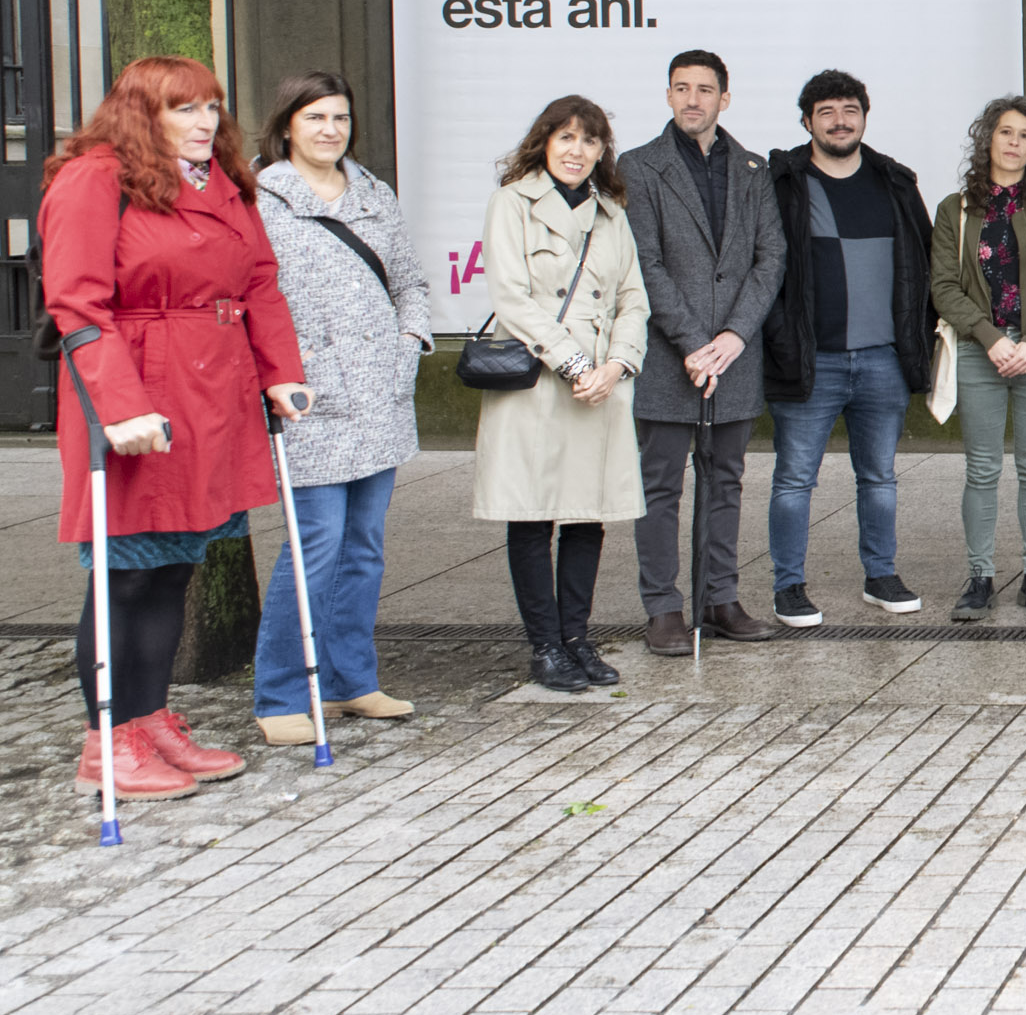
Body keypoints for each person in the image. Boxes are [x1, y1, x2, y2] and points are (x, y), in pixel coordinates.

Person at [42, 57, 312, 801]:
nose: (204, 122)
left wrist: (278, 369)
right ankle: (109, 739)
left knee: (174, 567)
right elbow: (77, 303)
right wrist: (121, 405)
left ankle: (149, 715)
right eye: (184, 108)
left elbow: (259, 280)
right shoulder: (95, 177)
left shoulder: (222, 181)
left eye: (212, 107)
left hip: (211, 392)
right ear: (142, 113)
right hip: (140, 385)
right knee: (125, 573)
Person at [251, 71, 432, 744]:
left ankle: (351, 679)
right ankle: (279, 694)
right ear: (288, 124)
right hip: (311, 400)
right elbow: (252, 296)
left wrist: (409, 344)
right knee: (314, 546)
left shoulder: (373, 192)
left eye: (340, 117)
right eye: (315, 116)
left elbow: (410, 280)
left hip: (380, 397)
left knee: (364, 548)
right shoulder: (263, 199)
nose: (330, 129)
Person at [473, 95, 651, 693]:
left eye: (591, 140)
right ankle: (544, 646)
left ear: (603, 151)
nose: (578, 151)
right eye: (567, 138)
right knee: (532, 514)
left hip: (600, 385)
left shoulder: (610, 212)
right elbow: (513, 298)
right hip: (538, 383)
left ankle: (577, 638)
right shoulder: (512, 202)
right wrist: (574, 362)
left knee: (587, 516)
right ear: (544, 142)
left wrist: (618, 364)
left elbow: (633, 298)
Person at [620, 50, 785, 656]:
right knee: (660, 487)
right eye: (682, 89)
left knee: (726, 482)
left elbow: (771, 259)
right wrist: (694, 342)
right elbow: (645, 263)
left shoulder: (752, 168)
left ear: (725, 98)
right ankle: (663, 607)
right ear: (667, 96)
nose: (694, 99)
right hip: (671, 357)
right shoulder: (638, 167)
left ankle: (720, 598)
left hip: (734, 358)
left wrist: (734, 338)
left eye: (706, 89)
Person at [762, 69, 937, 624]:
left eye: (849, 110)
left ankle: (880, 576)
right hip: (813, 359)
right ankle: (788, 585)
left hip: (883, 358)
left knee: (879, 477)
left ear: (864, 115)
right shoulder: (783, 184)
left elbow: (924, 267)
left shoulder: (895, 183)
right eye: (826, 112)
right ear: (807, 121)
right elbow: (763, 269)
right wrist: (779, 340)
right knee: (794, 479)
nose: (839, 121)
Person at [933, 94, 1026, 622]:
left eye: (1024, 135)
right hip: (979, 351)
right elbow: (944, 286)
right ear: (987, 139)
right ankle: (979, 577)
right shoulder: (958, 208)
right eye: (1005, 132)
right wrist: (991, 337)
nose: (1015, 143)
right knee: (982, 468)